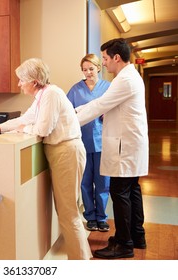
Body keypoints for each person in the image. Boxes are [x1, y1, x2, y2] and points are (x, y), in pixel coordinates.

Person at [0, 58, 92, 260]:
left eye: (21, 80)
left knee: (68, 213)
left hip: (66, 152)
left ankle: (81, 263)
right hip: (61, 153)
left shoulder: (51, 94)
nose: (19, 84)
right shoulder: (42, 96)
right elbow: (26, 119)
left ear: (33, 81)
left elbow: (42, 129)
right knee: (67, 212)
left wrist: (25, 129)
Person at [76, 38, 148, 259]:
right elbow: (100, 104)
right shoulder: (129, 76)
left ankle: (124, 244)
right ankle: (136, 236)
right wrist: (77, 110)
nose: (103, 64)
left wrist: (69, 119)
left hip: (124, 147)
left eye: (105, 59)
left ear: (116, 57)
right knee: (132, 190)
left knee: (120, 192)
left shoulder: (124, 80)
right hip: (130, 145)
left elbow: (100, 105)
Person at [67, 54, 111, 232]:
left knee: (102, 182)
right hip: (82, 142)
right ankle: (90, 216)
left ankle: (102, 217)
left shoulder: (108, 88)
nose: (88, 73)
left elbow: (116, 109)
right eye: (84, 70)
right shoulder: (76, 89)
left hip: (103, 142)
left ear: (99, 68)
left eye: (91, 69)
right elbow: (67, 113)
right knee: (85, 182)